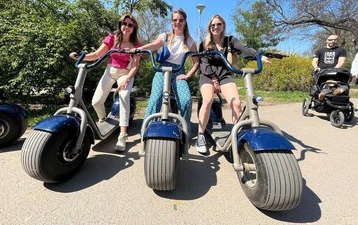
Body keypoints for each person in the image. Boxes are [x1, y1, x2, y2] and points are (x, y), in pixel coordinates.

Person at [196, 14, 271, 154]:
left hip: (225, 75)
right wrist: (214, 80)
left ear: (223, 25)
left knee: (236, 104)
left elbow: (245, 50)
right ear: (209, 28)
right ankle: (200, 136)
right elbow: (204, 65)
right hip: (208, 76)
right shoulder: (204, 44)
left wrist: (258, 56)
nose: (216, 27)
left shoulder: (230, 41)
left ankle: (236, 137)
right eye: (213, 25)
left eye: (218, 24)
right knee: (207, 100)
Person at [69, 14, 141, 152]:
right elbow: (97, 54)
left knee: (124, 96)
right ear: (120, 25)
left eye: (130, 25)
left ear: (134, 28)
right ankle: (103, 120)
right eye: (124, 24)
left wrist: (127, 79)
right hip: (110, 71)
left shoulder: (135, 45)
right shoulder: (112, 38)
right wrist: (80, 57)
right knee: (96, 101)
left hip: (125, 73)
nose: (127, 27)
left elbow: (135, 66)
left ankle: (122, 135)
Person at [138, 8, 199, 136]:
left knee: (186, 100)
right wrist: (140, 49)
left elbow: (196, 62)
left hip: (178, 71)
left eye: (181, 20)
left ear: (185, 22)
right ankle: (146, 131)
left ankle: (184, 132)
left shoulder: (189, 41)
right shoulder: (165, 36)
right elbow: (154, 45)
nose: (178, 22)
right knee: (155, 99)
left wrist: (187, 76)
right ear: (172, 22)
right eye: (175, 20)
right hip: (162, 70)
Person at [312, 35, 348, 100]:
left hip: (336, 73)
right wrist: (316, 67)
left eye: (335, 40)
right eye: (330, 40)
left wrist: (335, 69)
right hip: (322, 73)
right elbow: (314, 61)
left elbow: (341, 61)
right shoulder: (320, 51)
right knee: (326, 86)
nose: (333, 41)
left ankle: (338, 91)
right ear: (326, 41)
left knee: (341, 85)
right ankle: (325, 93)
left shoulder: (341, 50)